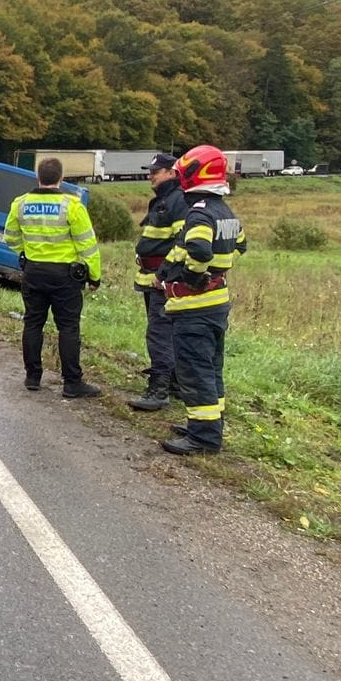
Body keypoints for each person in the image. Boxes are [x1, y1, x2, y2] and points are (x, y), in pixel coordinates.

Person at [159, 144, 245, 455]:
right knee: (211, 367)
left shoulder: (199, 214)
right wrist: (217, 270)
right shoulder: (226, 212)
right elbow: (240, 246)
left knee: (195, 370)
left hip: (195, 307)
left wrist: (195, 275)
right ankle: (209, 423)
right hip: (217, 304)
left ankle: (204, 438)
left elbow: (198, 250)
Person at [3, 157, 103, 398]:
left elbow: (10, 236)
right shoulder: (73, 205)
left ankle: (32, 376)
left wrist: (25, 253)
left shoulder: (21, 203)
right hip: (64, 276)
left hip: (34, 272)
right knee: (68, 328)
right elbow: (88, 245)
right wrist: (94, 276)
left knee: (33, 323)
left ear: (38, 177)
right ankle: (71, 382)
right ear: (61, 178)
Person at [127, 151, 187, 412]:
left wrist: (165, 276)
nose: (150, 175)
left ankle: (159, 389)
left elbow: (182, 242)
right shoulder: (164, 200)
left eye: (156, 171)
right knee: (164, 332)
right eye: (150, 171)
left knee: (160, 334)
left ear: (172, 173)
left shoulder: (178, 200)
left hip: (164, 281)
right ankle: (174, 382)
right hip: (152, 279)